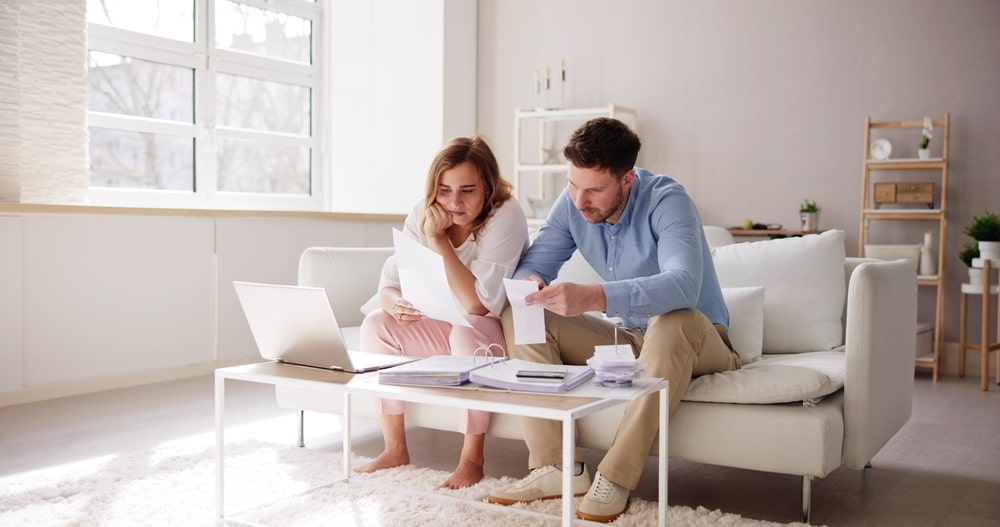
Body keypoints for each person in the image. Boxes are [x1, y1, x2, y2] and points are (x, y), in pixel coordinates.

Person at [486, 117, 741, 522]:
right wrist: (530, 281)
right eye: (573, 185)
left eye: (594, 190)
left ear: (627, 180)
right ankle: (555, 466)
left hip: (697, 337)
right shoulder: (572, 203)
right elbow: (534, 263)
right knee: (520, 310)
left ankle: (615, 477)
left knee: (674, 319)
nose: (579, 200)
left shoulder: (668, 200)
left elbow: (684, 286)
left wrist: (594, 296)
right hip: (630, 338)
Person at [356, 135, 529, 489]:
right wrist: (395, 304)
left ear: (488, 188)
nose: (453, 202)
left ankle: (472, 460)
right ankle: (395, 449)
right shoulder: (424, 210)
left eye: (467, 190)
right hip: (444, 325)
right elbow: (388, 283)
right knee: (376, 324)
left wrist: (438, 240)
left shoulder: (506, 215)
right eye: (444, 190)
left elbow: (477, 304)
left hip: (493, 333)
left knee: (465, 331)